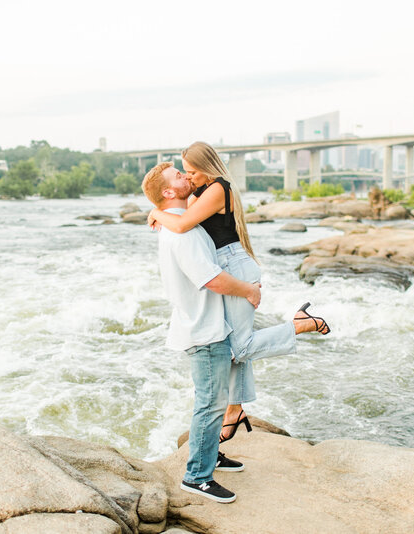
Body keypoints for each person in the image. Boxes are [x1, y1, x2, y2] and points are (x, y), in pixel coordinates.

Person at [147, 141, 330, 443]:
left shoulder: (219, 187)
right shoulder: (200, 191)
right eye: (186, 173)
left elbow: (181, 225)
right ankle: (235, 410)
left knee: (239, 348)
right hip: (227, 266)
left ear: (207, 168)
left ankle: (302, 324)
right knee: (232, 345)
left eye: (192, 172)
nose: (189, 178)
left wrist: (156, 213)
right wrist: (163, 208)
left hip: (233, 267)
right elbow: (181, 216)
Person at [142, 161, 257, 504]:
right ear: (168, 192)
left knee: (211, 401)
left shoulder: (178, 225)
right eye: (179, 175)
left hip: (201, 323)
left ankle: (209, 457)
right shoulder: (184, 233)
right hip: (204, 329)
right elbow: (211, 279)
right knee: (210, 404)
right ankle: (197, 477)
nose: (187, 176)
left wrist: (155, 212)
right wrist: (249, 290)